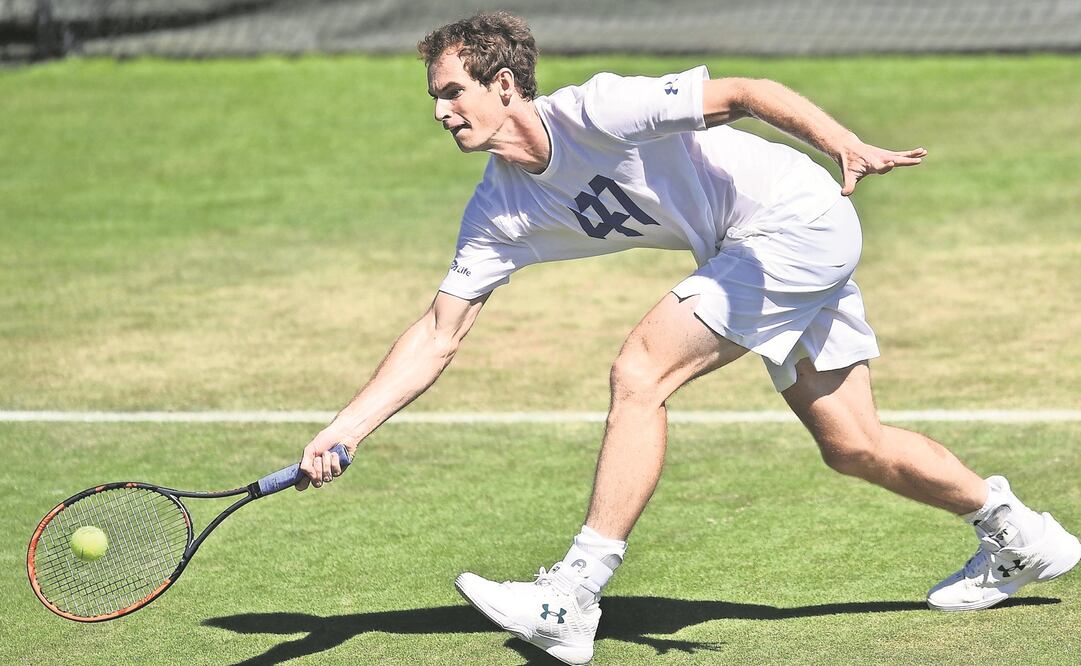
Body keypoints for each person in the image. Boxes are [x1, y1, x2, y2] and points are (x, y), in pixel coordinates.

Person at [293, 12, 1080, 665]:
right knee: (852, 443)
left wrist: (840, 140)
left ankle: (572, 594)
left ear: (503, 86)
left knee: (640, 372)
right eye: (435, 97)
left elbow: (744, 91)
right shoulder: (497, 212)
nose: (441, 110)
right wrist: (346, 427)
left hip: (790, 222)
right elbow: (438, 334)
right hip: (759, 247)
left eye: (452, 91)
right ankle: (1017, 533)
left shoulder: (597, 111)